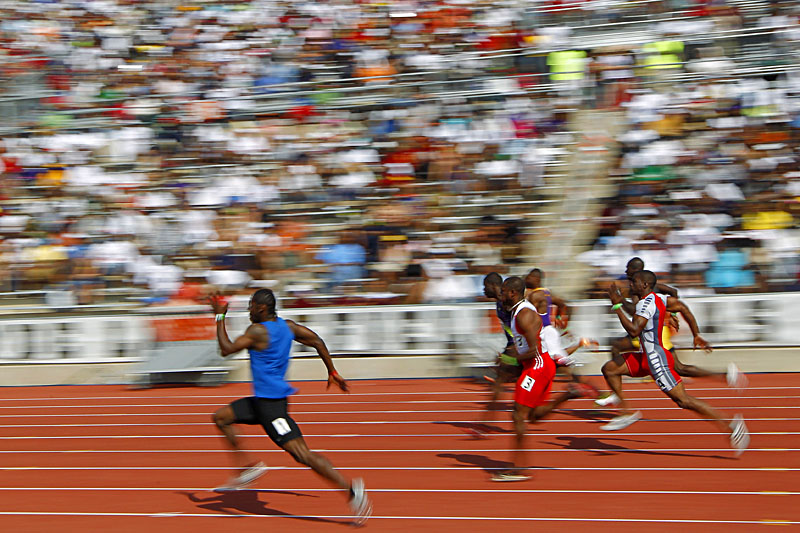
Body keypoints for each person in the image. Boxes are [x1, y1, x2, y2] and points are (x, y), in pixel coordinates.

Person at [208, 289, 372, 526]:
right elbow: (316, 340)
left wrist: (219, 317)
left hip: (272, 409)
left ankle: (351, 491)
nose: (248, 310)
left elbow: (226, 349)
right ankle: (246, 469)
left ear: (262, 309)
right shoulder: (289, 327)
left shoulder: (257, 331)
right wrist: (332, 371)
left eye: (251, 306)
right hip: (261, 402)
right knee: (221, 418)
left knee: (302, 454)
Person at [604, 270, 749, 455]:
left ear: (645, 285)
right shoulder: (658, 299)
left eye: (634, 282)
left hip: (656, 359)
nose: (631, 285)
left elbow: (633, 330)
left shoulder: (646, 305)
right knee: (609, 368)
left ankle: (731, 427)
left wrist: (617, 306)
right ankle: (626, 413)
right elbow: (680, 305)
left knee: (684, 400)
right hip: (646, 356)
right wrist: (695, 333)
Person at [596, 257, 746, 408]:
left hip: (653, 333)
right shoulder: (639, 286)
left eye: (629, 268)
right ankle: (616, 391)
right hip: (645, 330)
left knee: (679, 369)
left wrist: (619, 302)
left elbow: (637, 311)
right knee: (617, 348)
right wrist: (670, 314)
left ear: (637, 271)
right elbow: (670, 293)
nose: (625, 270)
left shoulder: (641, 288)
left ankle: (724, 376)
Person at [491, 276, 583, 481]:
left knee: (517, 415)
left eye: (504, 291)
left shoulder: (524, 314)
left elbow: (533, 351)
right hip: (538, 366)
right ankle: (567, 395)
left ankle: (517, 468)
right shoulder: (518, 311)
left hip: (538, 366)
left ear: (513, 293)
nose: (501, 295)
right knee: (532, 416)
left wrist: (509, 359)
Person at [524, 268, 599, 396]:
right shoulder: (546, 293)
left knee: (551, 361)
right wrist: (560, 319)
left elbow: (525, 314)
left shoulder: (534, 296)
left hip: (543, 332)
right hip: (547, 331)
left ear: (537, 279)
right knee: (553, 361)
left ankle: (589, 388)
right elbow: (563, 304)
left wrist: (561, 322)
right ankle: (585, 385)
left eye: (529, 277)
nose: (526, 279)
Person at [468, 273, 523, 438]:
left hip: (520, 349)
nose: (484, 291)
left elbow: (519, 325)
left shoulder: (507, 303)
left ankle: (485, 425)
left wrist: (513, 350)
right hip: (515, 348)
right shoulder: (500, 303)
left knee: (499, 385)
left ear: (493, 286)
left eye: (485, 287)